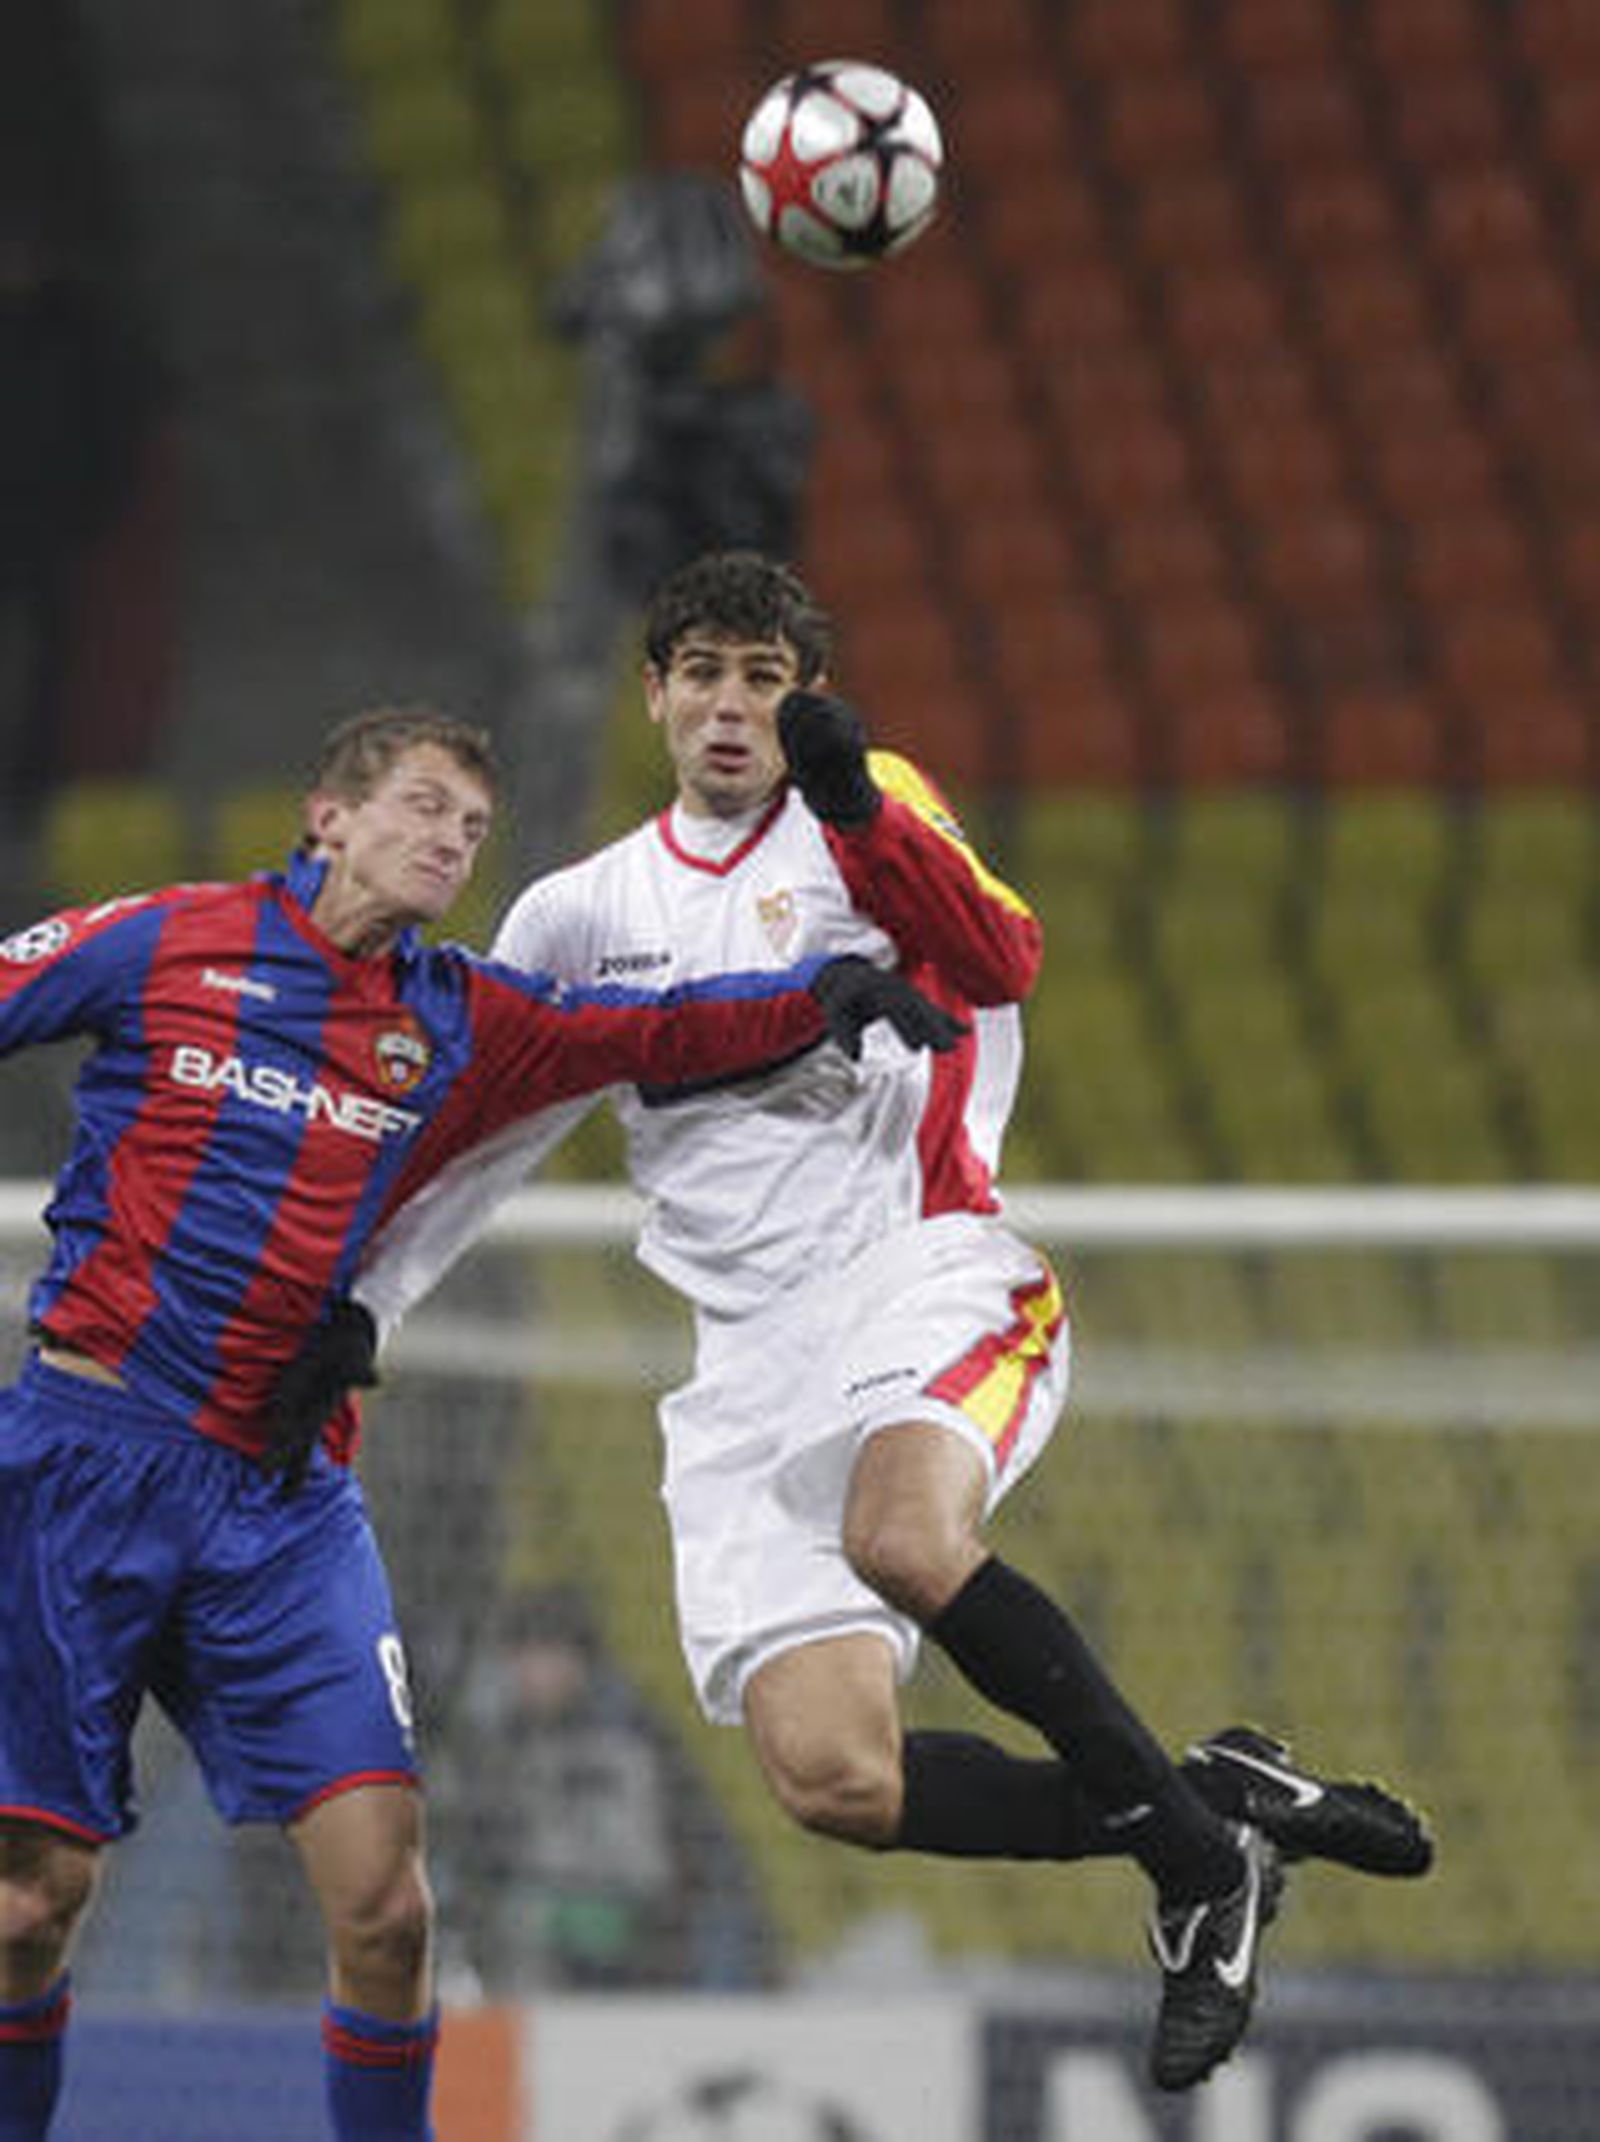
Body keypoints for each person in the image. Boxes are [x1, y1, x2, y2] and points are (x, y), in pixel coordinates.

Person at [334, 557, 1434, 2093]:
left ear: (807, 700)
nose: (732, 704)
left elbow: (1001, 960)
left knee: (902, 1537)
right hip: (745, 1361)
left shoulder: (868, 811)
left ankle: (1196, 1878)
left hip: (920, 1270)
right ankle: (1212, 1801)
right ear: (652, 692)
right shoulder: (580, 910)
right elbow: (482, 1128)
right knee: (833, 1776)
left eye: (765, 678)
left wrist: (860, 808)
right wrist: (366, 1303)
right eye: (703, 671)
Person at [0, 703, 955, 2142]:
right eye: (425, 806)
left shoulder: (457, 1012)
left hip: (280, 1499)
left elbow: (648, 1030)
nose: (451, 840)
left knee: (388, 1905)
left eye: (470, 826)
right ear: (330, 813)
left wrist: (820, 997)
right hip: (85, 1459)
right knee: (25, 1908)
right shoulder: (170, 937)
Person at [429, 1585, 773, 1996]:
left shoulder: (633, 1736)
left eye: (550, 1654)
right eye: (523, 1656)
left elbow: (687, 1852)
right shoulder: (499, 1744)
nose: (536, 1673)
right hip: (540, 1923)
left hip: (639, 1922)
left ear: (581, 1661)